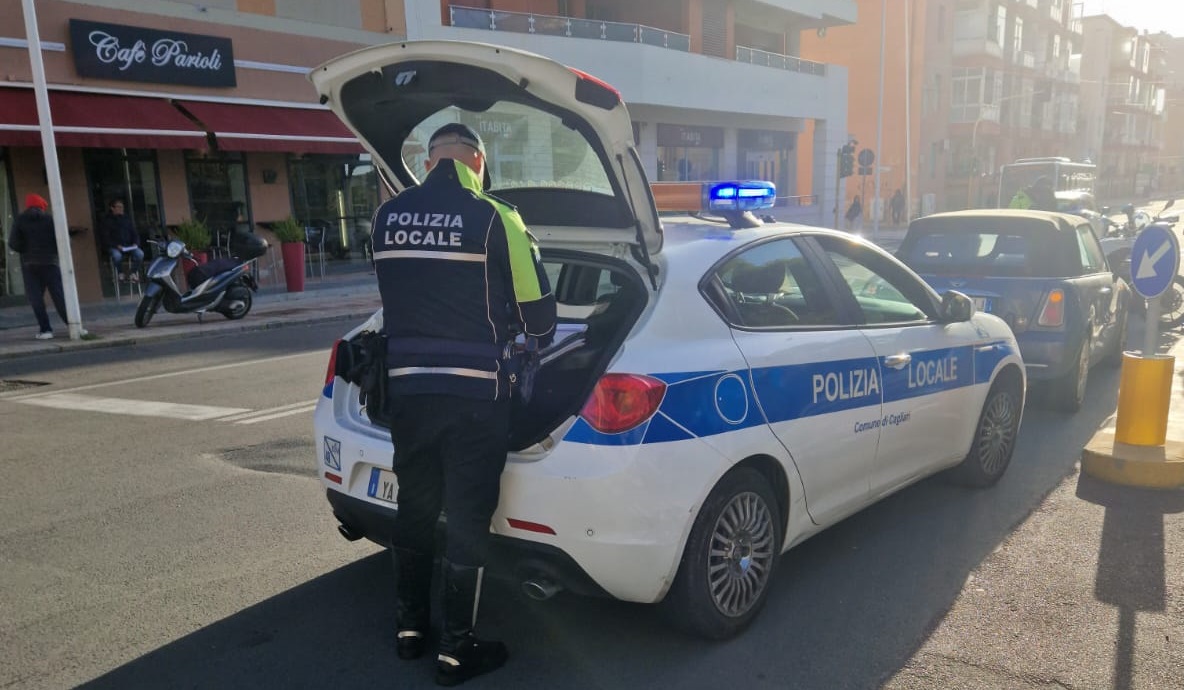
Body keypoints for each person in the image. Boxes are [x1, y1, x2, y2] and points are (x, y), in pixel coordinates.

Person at [372, 123, 556, 686]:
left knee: (416, 506)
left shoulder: (386, 218)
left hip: (407, 392)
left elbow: (395, 297)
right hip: (476, 397)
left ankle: (409, 629)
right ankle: (456, 647)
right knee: (468, 515)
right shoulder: (497, 217)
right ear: (477, 159)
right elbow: (540, 320)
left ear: (430, 162)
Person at [7, 194, 72, 340]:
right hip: (50, 262)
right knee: (59, 296)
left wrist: (26, 250)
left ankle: (45, 330)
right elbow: (62, 239)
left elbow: (13, 243)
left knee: (36, 298)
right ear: (42, 205)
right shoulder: (50, 219)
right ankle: (73, 325)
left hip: (30, 264)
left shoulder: (20, 220)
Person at [99, 199, 143, 281]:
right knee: (117, 256)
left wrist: (135, 243)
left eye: (122, 207)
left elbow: (134, 233)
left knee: (140, 254)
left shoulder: (127, 219)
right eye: (119, 207)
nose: (121, 209)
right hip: (115, 247)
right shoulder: (106, 221)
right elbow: (105, 238)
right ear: (112, 208)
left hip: (128, 246)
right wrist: (116, 245)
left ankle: (133, 273)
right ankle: (120, 273)